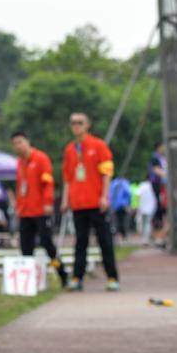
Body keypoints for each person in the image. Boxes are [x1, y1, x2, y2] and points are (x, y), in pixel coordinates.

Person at [61, 113, 120, 291]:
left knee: (104, 241)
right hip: (78, 203)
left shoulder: (98, 145)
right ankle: (77, 278)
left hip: (96, 202)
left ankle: (112, 277)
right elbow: (67, 177)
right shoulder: (70, 149)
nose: (76, 126)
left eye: (80, 123)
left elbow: (107, 173)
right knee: (80, 242)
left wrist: (104, 196)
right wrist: (65, 200)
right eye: (73, 123)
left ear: (87, 125)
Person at [11, 131, 69, 286]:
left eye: (20, 142)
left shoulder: (40, 158)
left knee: (47, 244)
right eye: (15, 143)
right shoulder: (19, 163)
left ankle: (62, 273)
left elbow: (48, 183)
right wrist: (18, 206)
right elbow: (19, 187)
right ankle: (27, 282)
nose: (18, 146)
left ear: (28, 141)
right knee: (25, 246)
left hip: (40, 210)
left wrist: (48, 202)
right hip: (25, 211)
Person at [148, 142, 169, 247]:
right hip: (158, 185)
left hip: (164, 186)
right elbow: (156, 170)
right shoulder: (155, 158)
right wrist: (168, 174)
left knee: (164, 209)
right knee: (160, 207)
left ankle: (161, 236)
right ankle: (157, 235)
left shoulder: (164, 158)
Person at [109, 176, 132, 240]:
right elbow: (129, 193)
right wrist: (128, 204)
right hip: (123, 205)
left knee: (115, 221)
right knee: (123, 221)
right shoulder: (125, 183)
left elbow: (110, 194)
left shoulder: (113, 183)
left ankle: (116, 234)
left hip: (114, 205)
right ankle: (123, 235)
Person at [135, 179, 157, 245]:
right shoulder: (151, 186)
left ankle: (145, 238)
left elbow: (138, 195)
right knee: (148, 223)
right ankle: (146, 238)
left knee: (143, 223)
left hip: (142, 208)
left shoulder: (141, 185)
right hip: (151, 208)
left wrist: (137, 205)